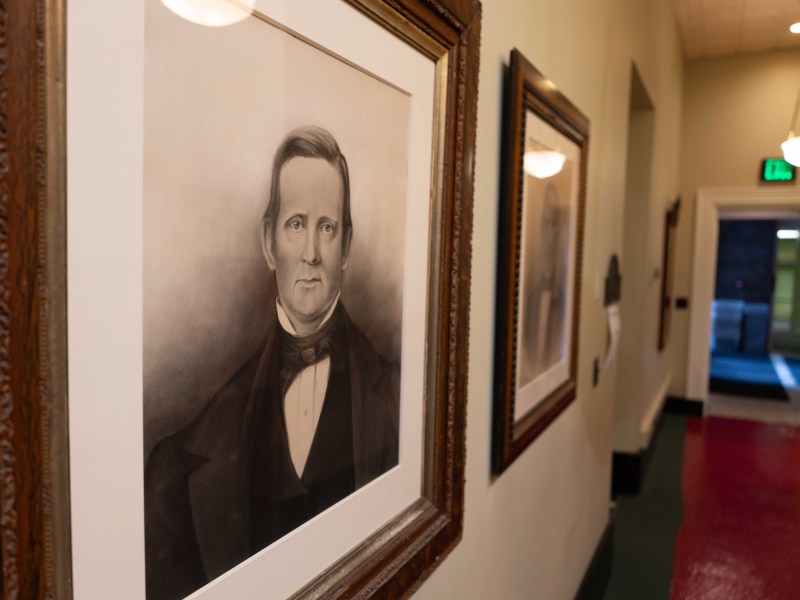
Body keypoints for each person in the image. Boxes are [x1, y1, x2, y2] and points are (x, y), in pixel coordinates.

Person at [144, 126, 400, 600]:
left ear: (346, 247)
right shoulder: (175, 469)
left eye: (327, 228)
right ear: (268, 242)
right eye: (296, 224)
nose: (310, 254)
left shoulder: (400, 396)